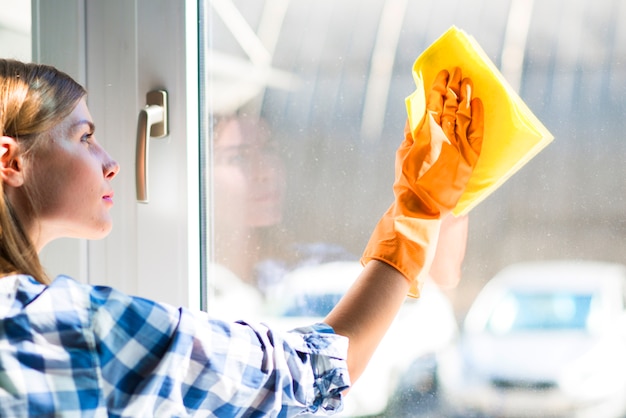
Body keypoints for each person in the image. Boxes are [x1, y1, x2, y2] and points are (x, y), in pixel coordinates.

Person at [0, 59, 483, 416]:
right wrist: (416, 207)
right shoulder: (72, 329)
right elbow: (309, 374)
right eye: (85, 137)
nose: (111, 162)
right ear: (12, 161)